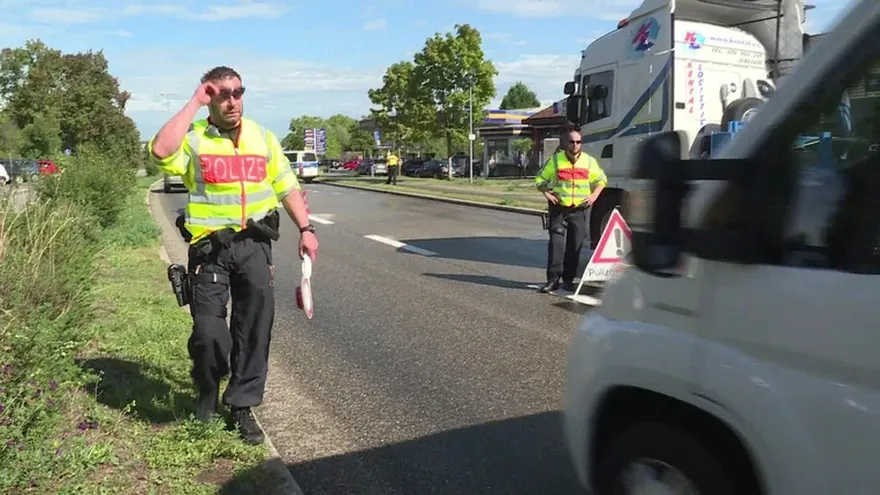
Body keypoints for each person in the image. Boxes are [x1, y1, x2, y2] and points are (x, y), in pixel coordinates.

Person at [148, 66, 319, 445]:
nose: (232, 100)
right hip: (210, 248)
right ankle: (208, 390)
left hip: (255, 246)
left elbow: (287, 185)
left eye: (238, 92)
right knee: (209, 333)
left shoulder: (262, 137)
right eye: (222, 93)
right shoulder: (194, 140)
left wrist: (306, 230)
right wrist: (194, 101)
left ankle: (242, 406)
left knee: (256, 327)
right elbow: (160, 151)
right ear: (209, 96)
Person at [535, 126, 607, 293]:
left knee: (575, 246)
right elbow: (540, 179)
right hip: (559, 209)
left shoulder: (589, 161)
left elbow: (601, 180)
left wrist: (594, 196)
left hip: (580, 210)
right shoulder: (556, 160)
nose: (575, 145)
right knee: (556, 246)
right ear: (566, 143)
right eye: (572, 142)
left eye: (578, 142)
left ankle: (568, 280)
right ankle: (553, 280)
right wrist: (547, 194)